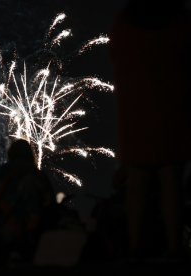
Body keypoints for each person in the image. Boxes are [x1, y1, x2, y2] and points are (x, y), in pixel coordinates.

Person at [108, 0, 191, 261]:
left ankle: (135, 246)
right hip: (173, 105)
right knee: (171, 179)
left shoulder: (124, 21)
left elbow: (115, 57)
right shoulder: (179, 21)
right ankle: (175, 247)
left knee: (136, 180)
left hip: (134, 108)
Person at [0, 139, 56, 263]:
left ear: (10, 153)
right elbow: (50, 203)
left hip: (3, 227)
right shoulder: (39, 175)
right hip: (35, 229)